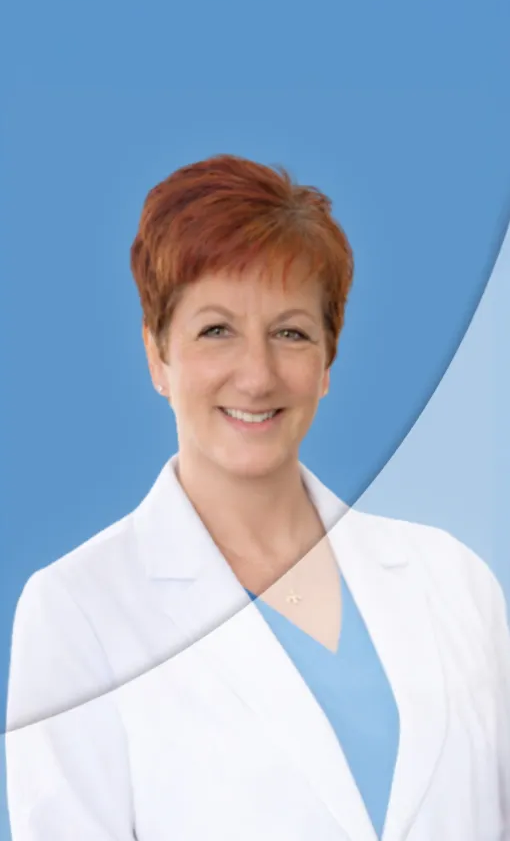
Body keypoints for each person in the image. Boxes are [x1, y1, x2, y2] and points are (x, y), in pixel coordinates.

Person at [5, 154, 510, 841]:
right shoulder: (78, 615)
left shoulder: (454, 582)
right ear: (158, 354)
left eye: (291, 333)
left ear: (327, 361)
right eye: (217, 330)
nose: (256, 374)